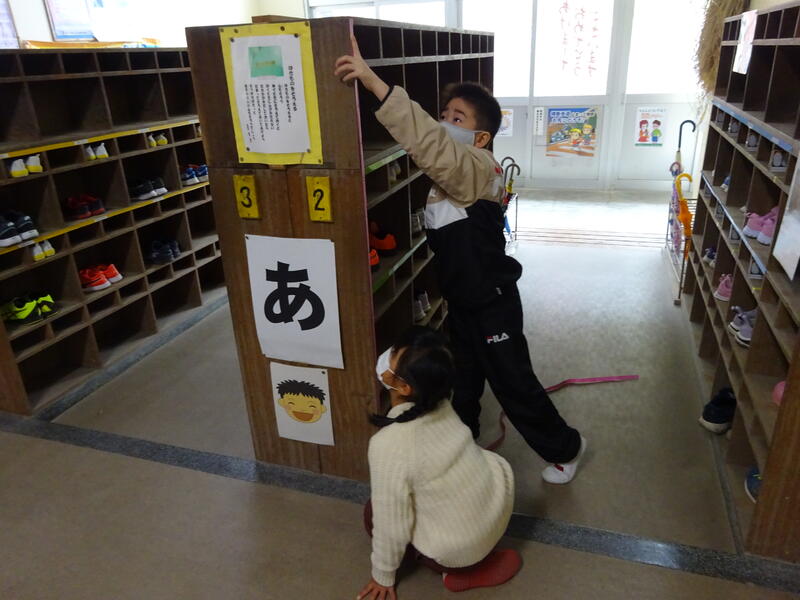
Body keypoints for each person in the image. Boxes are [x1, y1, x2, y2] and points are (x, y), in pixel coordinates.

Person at [335, 38, 586, 485]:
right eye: (444, 115)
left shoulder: (475, 168)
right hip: (465, 301)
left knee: (512, 382)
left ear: (480, 138)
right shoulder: (458, 170)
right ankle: (462, 444)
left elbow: (431, 145)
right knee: (464, 380)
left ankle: (566, 448)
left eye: (457, 119)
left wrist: (374, 83)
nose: (444, 124)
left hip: (491, 302)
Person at [358, 326, 519, 599]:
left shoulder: (388, 445)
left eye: (393, 354)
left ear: (404, 387)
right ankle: (475, 550)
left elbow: (390, 523)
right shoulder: (441, 401)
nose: (387, 355)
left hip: (459, 548)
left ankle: (461, 569)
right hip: (496, 508)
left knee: (373, 513)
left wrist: (382, 576)